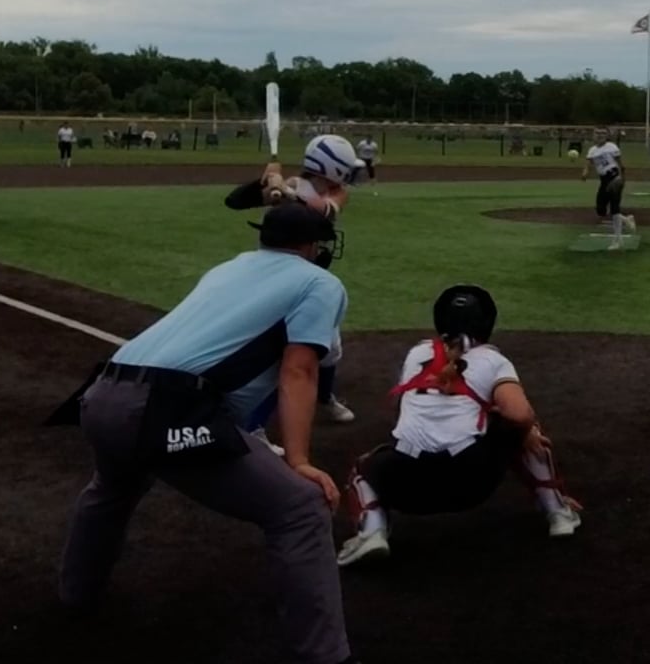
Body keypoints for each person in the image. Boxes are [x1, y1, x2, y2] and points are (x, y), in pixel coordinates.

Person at [51, 204, 357, 663]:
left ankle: (76, 594)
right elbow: (300, 370)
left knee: (112, 488)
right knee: (300, 507)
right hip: (163, 408)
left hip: (101, 394)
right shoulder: (319, 282)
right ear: (312, 245)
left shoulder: (228, 268)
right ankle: (325, 655)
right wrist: (298, 461)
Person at [335, 285, 581, 567]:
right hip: (470, 479)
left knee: (364, 469)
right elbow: (520, 414)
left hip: (407, 483)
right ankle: (557, 512)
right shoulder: (493, 360)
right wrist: (524, 431)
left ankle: (372, 532)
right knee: (521, 428)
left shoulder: (417, 353)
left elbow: (401, 412)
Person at [225, 135, 368, 425]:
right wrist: (263, 183)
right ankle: (254, 426)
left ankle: (324, 397)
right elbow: (234, 201)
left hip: (310, 278)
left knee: (330, 348)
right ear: (333, 168)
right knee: (278, 355)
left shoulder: (335, 192)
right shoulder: (288, 185)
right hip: (275, 277)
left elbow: (324, 210)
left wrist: (288, 192)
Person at [580, 128, 631, 250]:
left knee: (614, 208)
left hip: (614, 177)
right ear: (593, 135)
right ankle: (626, 219)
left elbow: (622, 165)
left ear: (607, 135)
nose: (600, 135)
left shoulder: (612, 147)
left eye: (603, 133)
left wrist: (622, 180)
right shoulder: (592, 150)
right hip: (604, 180)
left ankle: (617, 240)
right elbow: (588, 164)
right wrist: (585, 173)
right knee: (600, 210)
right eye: (597, 133)